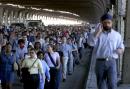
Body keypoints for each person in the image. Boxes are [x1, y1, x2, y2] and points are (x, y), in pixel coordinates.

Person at [87, 13, 125, 89]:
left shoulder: (117, 35)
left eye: (109, 23)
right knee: (101, 85)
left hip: (112, 62)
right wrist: (97, 32)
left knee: (112, 84)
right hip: (99, 62)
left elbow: (121, 46)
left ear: (112, 23)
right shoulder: (95, 34)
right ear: (101, 23)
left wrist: (121, 50)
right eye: (105, 23)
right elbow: (90, 43)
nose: (107, 25)